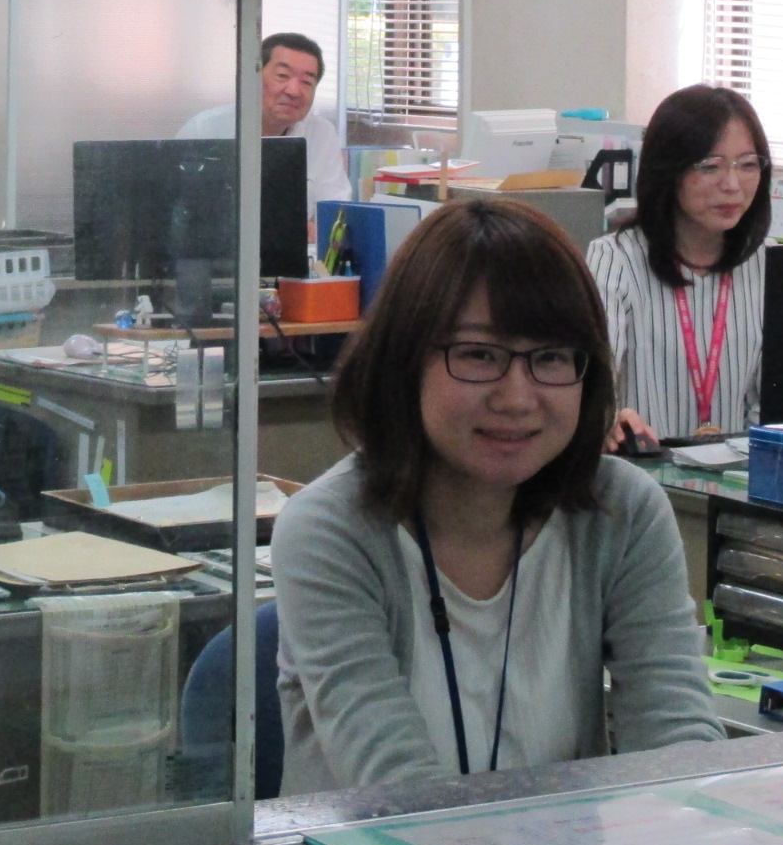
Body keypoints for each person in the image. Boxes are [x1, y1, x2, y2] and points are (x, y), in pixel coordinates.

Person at [272, 198, 723, 793]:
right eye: (479, 354)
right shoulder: (330, 530)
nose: (517, 398)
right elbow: (396, 790)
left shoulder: (621, 512)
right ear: (405, 360)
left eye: (551, 357)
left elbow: (679, 742)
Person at [586, 85, 772, 449]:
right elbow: (595, 385)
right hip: (645, 471)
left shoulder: (767, 264)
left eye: (748, 164)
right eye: (710, 166)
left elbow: (774, 403)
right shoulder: (615, 260)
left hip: (742, 472)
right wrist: (609, 417)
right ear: (668, 172)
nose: (732, 185)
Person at [177, 32, 352, 219]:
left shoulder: (322, 134)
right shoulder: (205, 129)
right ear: (255, 77)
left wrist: (319, 227)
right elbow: (174, 208)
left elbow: (337, 212)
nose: (294, 91)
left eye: (307, 82)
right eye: (282, 76)